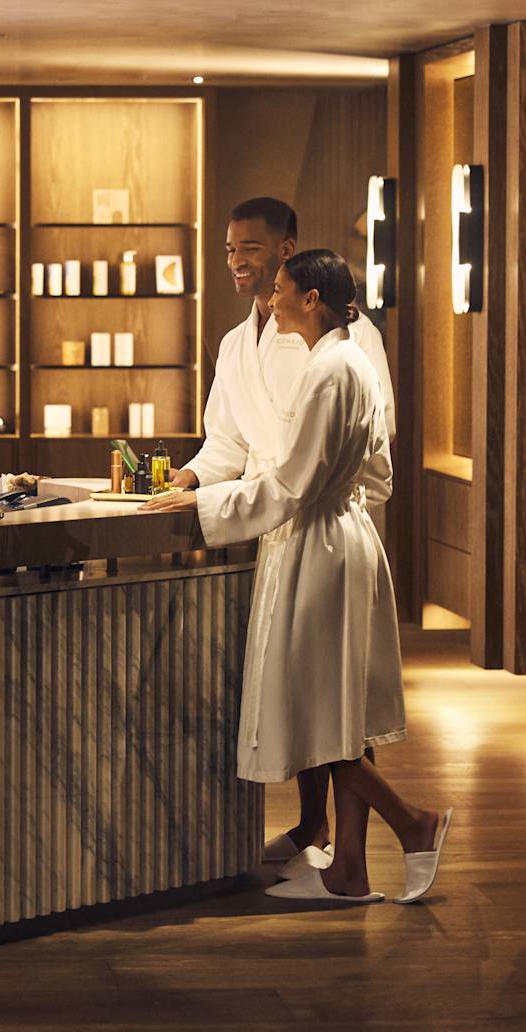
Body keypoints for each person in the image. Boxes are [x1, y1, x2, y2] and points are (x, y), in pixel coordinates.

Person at [144, 249, 451, 904]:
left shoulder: (331, 373)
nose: (271, 299)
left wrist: (202, 506)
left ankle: (412, 824)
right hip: (340, 539)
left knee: (320, 711)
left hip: (319, 549)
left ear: (312, 299)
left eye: (280, 289)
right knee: (332, 710)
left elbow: (288, 486)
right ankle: (351, 869)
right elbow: (378, 477)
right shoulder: (346, 366)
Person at [171, 197, 396, 869]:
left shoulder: (351, 347)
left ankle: (361, 845)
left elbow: (372, 451)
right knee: (306, 691)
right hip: (275, 527)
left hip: (323, 524)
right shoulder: (236, 345)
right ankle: (315, 828)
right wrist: (187, 480)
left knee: (340, 695)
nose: (239, 262)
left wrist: (345, 510)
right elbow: (226, 445)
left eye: (252, 250)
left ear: (288, 253)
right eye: (231, 250)